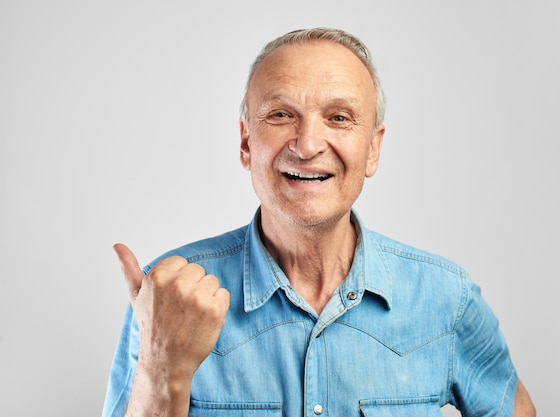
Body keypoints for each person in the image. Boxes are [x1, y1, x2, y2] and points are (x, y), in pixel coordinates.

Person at [103, 28, 536, 417]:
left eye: (339, 118)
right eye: (280, 115)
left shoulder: (447, 299)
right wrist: (165, 373)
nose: (308, 144)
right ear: (246, 143)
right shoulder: (169, 295)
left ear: (372, 149)